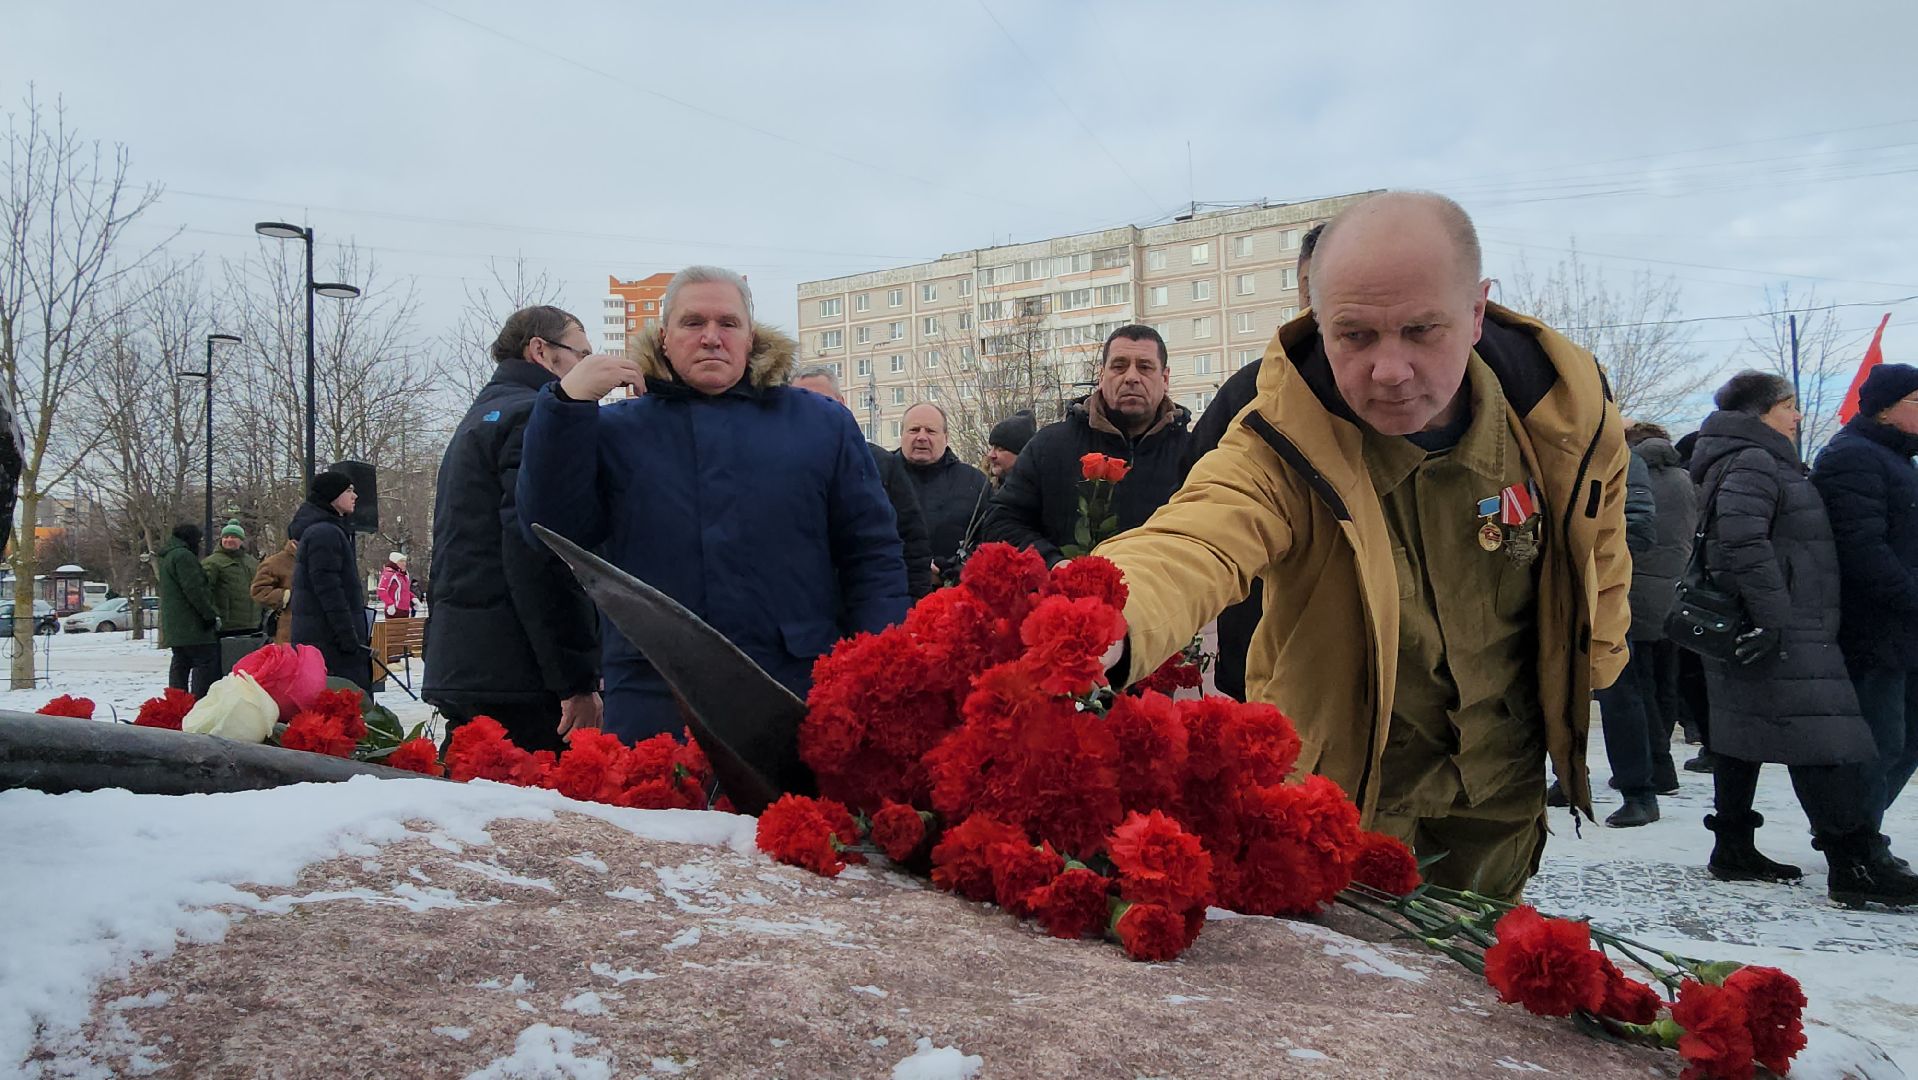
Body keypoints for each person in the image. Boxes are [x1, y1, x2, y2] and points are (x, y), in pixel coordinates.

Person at [1092, 192, 1632, 901]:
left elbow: (1601, 554)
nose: (1390, 369)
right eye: (1355, 336)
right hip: (1346, 796)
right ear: (1318, 324)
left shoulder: (1565, 417)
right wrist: (1096, 616)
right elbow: (1196, 536)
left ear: (1476, 311)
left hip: (1501, 790)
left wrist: (1597, 658)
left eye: (1420, 330)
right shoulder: (1277, 439)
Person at [518, 265, 908, 741]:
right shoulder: (615, 431)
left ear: (750, 337)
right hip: (655, 693)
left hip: (794, 687)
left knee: (791, 818)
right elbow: (552, 534)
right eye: (692, 323)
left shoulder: (820, 424)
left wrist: (876, 669)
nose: (711, 337)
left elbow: (872, 553)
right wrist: (564, 408)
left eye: (727, 323)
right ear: (664, 337)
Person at [1690, 370, 1916, 906]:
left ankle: (1736, 845)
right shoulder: (1752, 459)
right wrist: (1775, 615)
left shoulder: (1759, 458)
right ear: (1761, 411)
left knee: (1749, 734)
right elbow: (1741, 543)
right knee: (1825, 743)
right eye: (1789, 406)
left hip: (1791, 622)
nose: (1797, 416)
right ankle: (1855, 862)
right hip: (1789, 626)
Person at [424, 306, 602, 753]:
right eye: (582, 354)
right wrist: (574, 678)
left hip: (469, 660)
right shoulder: (531, 418)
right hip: (520, 673)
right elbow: (537, 552)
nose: (588, 367)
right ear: (541, 350)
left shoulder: (482, 416)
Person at [1177, 223, 1324, 700]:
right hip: (1260, 645)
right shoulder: (1251, 391)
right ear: (1302, 286)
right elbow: (1199, 500)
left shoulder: (1407, 388)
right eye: (1313, 283)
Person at [983, 325, 1193, 566]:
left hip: (1165, 599)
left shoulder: (1194, 455)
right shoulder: (1050, 446)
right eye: (1119, 366)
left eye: (1145, 367)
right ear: (1102, 376)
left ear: (1164, 378)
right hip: (1068, 598)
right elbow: (1001, 522)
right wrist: (1053, 565)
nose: (1132, 377)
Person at [1814, 363, 1918, 829]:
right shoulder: (1853, 456)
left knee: (1905, 739)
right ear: (1885, 409)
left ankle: (1859, 830)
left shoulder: (1899, 459)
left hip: (1902, 626)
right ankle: (1853, 843)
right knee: (1879, 741)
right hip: (1871, 626)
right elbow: (1861, 549)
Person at [1589, 426, 1672, 827]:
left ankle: (1639, 791)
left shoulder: (1620, 456)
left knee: (1619, 694)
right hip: (1546, 591)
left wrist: (1583, 553)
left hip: (1605, 593)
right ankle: (1564, 779)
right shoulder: (1538, 446)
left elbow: (1639, 530)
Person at [792, 365, 933, 598]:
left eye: (823, 402)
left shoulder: (881, 465)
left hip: (868, 608)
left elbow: (912, 543)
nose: (813, 413)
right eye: (802, 405)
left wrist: (913, 607)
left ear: (842, 403)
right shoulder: (777, 468)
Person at [290, 470, 372, 692]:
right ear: (333, 496)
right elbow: (329, 590)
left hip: (323, 639)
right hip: (330, 644)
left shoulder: (325, 530)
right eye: (349, 491)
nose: (355, 496)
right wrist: (348, 637)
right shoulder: (324, 533)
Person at [898, 402, 992, 582]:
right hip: (893, 592)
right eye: (914, 430)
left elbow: (990, 541)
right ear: (902, 434)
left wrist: (951, 569)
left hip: (953, 593)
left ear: (946, 437)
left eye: (931, 431)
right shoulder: (878, 478)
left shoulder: (975, 483)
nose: (921, 437)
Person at [156, 522, 219, 696]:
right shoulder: (184, 557)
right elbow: (195, 589)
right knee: (204, 663)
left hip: (176, 627)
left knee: (180, 663)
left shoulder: (168, 556)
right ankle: (199, 703)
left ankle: (176, 704)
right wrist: (208, 615)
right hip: (193, 626)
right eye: (198, 540)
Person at [203, 521, 262, 640]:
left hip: (253, 625)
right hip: (227, 626)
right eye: (226, 537)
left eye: (234, 537)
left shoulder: (252, 562)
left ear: (241, 540)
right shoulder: (212, 562)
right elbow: (204, 592)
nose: (229, 539)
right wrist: (214, 615)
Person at [251, 538, 296, 645]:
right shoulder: (275, 562)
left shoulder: (322, 557)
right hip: (289, 630)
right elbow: (258, 590)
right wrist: (286, 597)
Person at [986, 410, 1036, 486]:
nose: (990, 455)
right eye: (992, 448)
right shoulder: (989, 487)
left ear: (1021, 454)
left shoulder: (1041, 492)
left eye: (1000, 449)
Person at [378, 552, 415, 618]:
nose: (404, 563)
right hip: (394, 610)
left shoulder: (404, 575)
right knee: (394, 628)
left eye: (404, 561)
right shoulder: (389, 573)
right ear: (394, 562)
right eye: (401, 561)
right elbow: (381, 590)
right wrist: (390, 604)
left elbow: (404, 591)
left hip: (405, 609)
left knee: (403, 628)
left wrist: (414, 598)